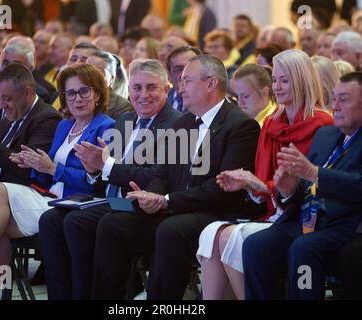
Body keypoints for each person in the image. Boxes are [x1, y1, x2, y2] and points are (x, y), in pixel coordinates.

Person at [91, 54, 261, 300]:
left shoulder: (240, 126)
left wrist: (167, 200)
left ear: (211, 83)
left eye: (187, 81)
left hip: (215, 213)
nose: (180, 88)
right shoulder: (184, 123)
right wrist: (153, 196)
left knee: (171, 230)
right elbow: (163, 174)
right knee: (112, 224)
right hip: (176, 208)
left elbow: (222, 189)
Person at [0, 63, 115, 299]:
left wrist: (51, 168)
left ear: (97, 94)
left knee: (0, 191)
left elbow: (93, 182)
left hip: (73, 203)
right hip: (45, 195)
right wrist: (31, 162)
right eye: (70, 93)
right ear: (64, 98)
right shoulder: (65, 125)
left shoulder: (105, 126)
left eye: (84, 91)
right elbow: (41, 171)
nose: (77, 98)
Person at [38, 59, 180, 299]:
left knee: (77, 222)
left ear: (166, 89)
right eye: (137, 88)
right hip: (113, 200)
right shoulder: (125, 121)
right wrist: (93, 169)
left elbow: (155, 175)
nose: (143, 95)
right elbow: (104, 172)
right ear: (129, 90)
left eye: (151, 88)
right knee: (51, 219)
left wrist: (105, 165)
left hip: (143, 206)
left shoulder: (176, 124)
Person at [197, 50, 333, 300]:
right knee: (211, 232)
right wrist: (248, 184)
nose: (277, 87)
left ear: (302, 80)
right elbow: (264, 184)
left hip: (304, 216)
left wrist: (258, 184)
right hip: (273, 210)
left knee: (230, 237)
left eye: (285, 80)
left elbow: (312, 185)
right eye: (276, 79)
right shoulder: (271, 123)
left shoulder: (323, 124)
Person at [243, 71, 362, 300]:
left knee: (304, 248)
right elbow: (307, 185)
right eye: (334, 98)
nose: (334, 106)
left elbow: (357, 184)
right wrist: (288, 190)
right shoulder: (327, 135)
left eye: (344, 99)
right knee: (256, 245)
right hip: (307, 220)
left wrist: (314, 173)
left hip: (343, 226)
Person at [86, 50, 134, 119]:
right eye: (87, 70)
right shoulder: (76, 99)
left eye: (98, 71)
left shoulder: (124, 107)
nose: (90, 75)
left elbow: (126, 129)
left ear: (111, 78)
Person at [166, 46, 202, 113]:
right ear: (169, 76)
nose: (184, 74)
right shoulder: (162, 100)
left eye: (192, 67)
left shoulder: (213, 102)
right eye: (178, 69)